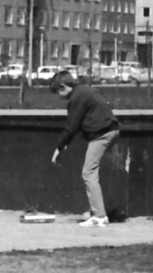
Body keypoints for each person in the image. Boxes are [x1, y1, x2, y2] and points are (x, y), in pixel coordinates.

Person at [50, 72, 120, 226]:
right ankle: (96, 210)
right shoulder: (84, 90)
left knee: (88, 173)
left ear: (63, 87)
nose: (58, 96)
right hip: (110, 130)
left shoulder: (76, 98)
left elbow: (71, 127)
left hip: (102, 134)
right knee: (91, 172)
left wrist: (59, 148)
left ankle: (100, 216)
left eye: (57, 92)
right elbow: (82, 123)